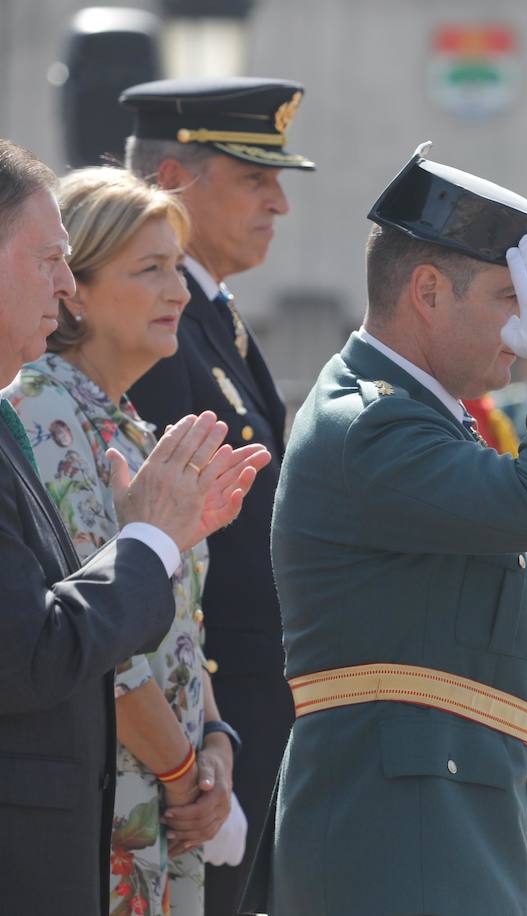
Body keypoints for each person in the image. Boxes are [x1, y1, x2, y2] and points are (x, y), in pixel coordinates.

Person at [241, 142, 527, 916]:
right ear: (428, 290)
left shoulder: (409, 412)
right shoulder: (375, 423)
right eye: (506, 297)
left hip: (428, 805)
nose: (522, 321)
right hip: (397, 825)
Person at [0, 138, 266, 915]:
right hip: (119, 800)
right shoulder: (42, 411)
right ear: (80, 290)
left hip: (158, 799)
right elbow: (90, 644)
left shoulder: (130, 426)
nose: (177, 291)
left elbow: (178, 620)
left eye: (177, 267)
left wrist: (219, 747)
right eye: (148, 269)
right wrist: (188, 778)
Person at [118, 76, 315, 916]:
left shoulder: (214, 318)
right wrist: (198, 741)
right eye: (252, 179)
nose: (279, 202)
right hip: (202, 715)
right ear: (171, 181)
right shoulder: (159, 330)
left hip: (233, 717)